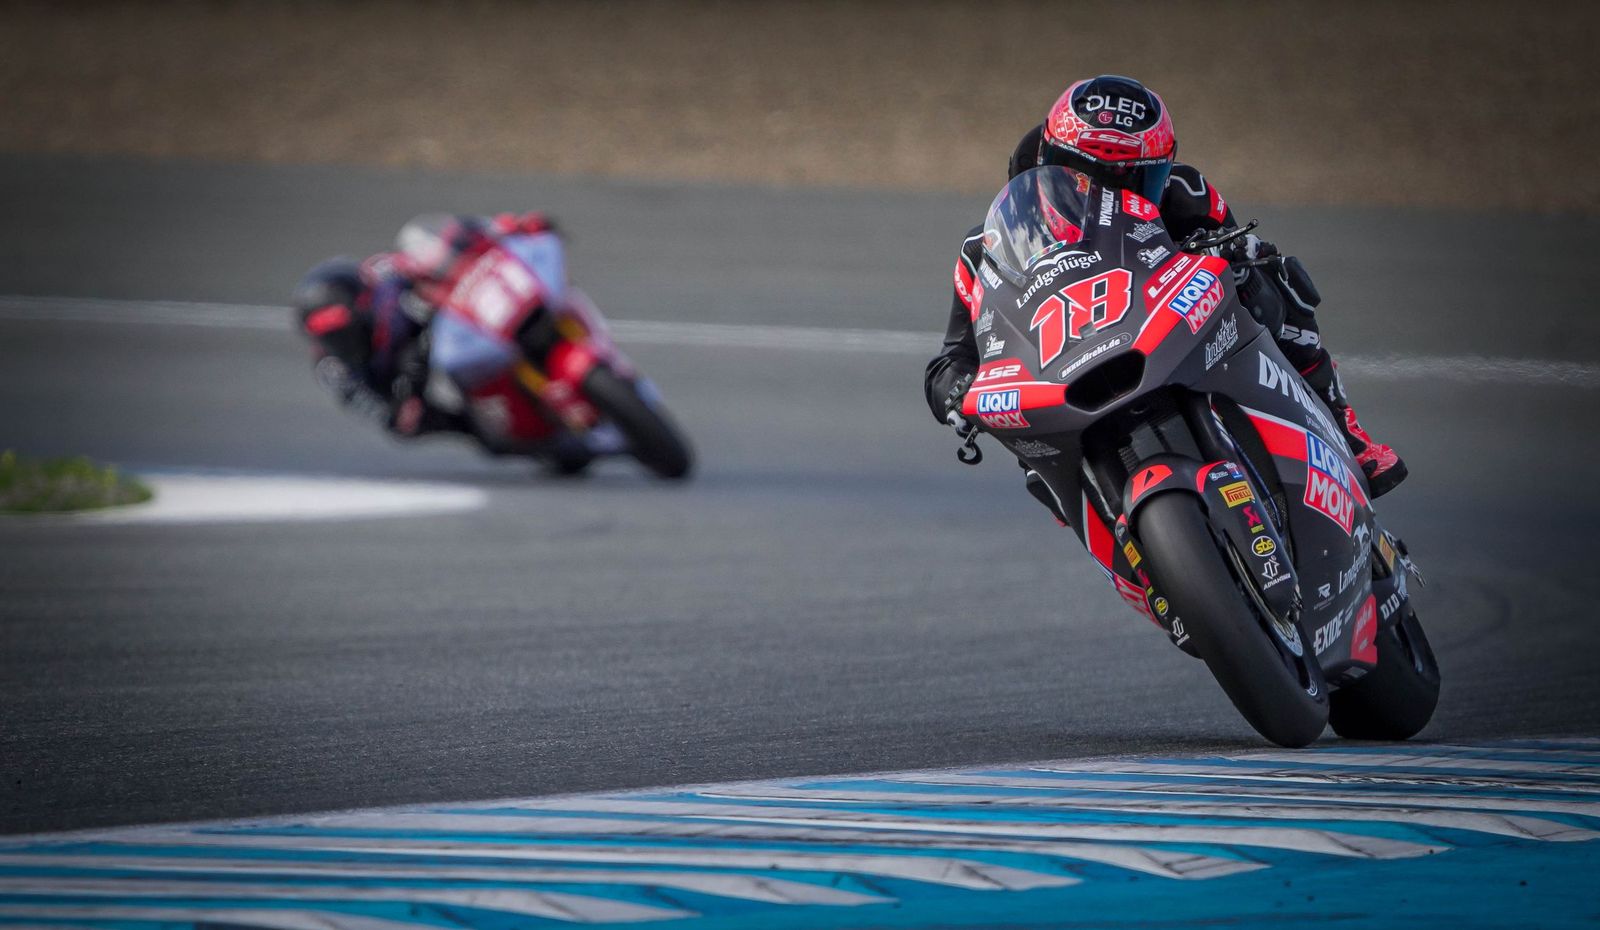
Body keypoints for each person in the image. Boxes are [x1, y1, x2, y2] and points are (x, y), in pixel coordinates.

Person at [923, 75, 1406, 524]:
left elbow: (1243, 262)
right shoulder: (987, 248)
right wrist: (956, 391)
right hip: (1058, 376)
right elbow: (951, 359)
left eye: (1132, 181)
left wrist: (1243, 265)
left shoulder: (1188, 196)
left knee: (1279, 280)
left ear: (1163, 170)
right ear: (1051, 163)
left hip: (1167, 339)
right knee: (1035, 466)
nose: (1108, 196)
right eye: (1086, 177)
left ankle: (1347, 431)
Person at [291, 211, 554, 441]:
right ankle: (480, 431)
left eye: (346, 332)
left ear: (364, 303)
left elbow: (444, 245)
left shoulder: (384, 274)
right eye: (331, 338)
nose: (343, 343)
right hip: (403, 375)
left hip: (439, 324)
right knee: (408, 426)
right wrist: (399, 410)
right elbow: (371, 406)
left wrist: (502, 227)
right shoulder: (331, 369)